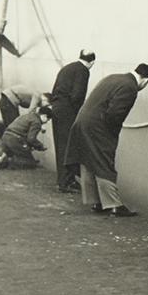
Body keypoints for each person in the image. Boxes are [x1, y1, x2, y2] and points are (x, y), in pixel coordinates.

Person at [64, 63, 148, 217]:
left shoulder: (113, 77)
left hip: (82, 122)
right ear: (145, 81)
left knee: (88, 162)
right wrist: (111, 135)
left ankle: (96, 202)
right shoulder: (130, 87)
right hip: (98, 126)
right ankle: (114, 205)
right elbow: (115, 114)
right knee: (104, 161)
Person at [50, 49, 96, 193]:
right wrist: (79, 114)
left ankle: (64, 180)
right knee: (69, 146)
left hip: (57, 108)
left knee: (61, 144)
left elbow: (55, 89)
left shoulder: (67, 68)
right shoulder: (83, 71)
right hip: (68, 111)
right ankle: (66, 183)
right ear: (92, 62)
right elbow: (77, 95)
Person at [0, 102, 54, 169]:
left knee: (13, 153)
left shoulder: (29, 115)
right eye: (48, 119)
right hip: (14, 139)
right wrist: (40, 146)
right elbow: (31, 139)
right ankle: (7, 163)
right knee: (30, 163)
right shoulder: (37, 122)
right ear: (44, 116)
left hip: (6, 136)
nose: (47, 121)